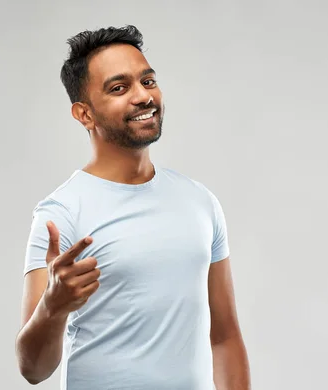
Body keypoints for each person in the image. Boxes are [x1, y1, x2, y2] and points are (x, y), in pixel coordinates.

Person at [15, 25, 251, 390]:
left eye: (148, 81)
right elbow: (33, 370)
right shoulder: (60, 215)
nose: (143, 96)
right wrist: (53, 307)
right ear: (84, 114)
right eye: (119, 88)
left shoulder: (200, 201)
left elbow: (224, 337)